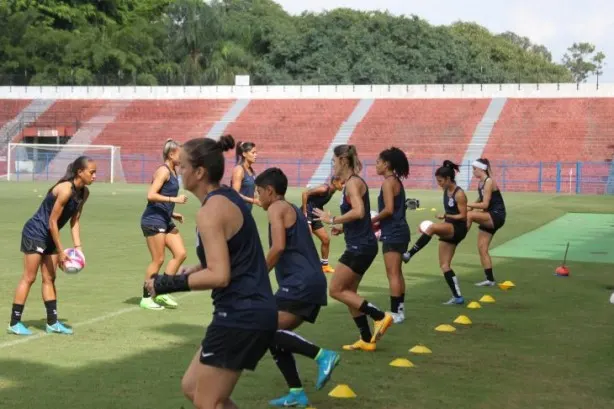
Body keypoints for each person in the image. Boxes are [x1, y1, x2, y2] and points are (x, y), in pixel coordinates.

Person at [145, 135, 277, 409]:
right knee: (192, 387)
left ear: (200, 171)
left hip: (241, 313)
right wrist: (193, 270)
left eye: (183, 167)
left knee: (208, 401)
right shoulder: (224, 198)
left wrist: (169, 283)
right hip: (246, 310)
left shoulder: (211, 211)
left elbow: (220, 275)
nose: (179, 172)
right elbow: (224, 260)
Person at [255, 167, 340, 407]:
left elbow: (278, 247)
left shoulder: (275, 208)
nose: (258, 196)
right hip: (307, 282)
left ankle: (323, 356)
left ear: (270, 191)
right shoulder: (290, 207)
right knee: (272, 335)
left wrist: (257, 276)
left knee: (264, 328)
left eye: (259, 191)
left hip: (300, 283)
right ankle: (296, 393)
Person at [313, 144, 393, 352]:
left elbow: (359, 211)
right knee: (349, 293)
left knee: (336, 290)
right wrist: (343, 227)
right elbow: (360, 218)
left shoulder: (352, 184)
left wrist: (333, 219)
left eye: (334, 161)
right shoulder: (351, 183)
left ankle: (380, 316)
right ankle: (366, 339)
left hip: (360, 246)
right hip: (361, 243)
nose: (332, 165)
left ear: (343, 161)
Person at [8, 156, 96, 336]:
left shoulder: (84, 193)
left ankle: (52, 323)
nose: (95, 176)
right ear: (80, 172)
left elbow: (75, 221)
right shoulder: (65, 189)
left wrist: (78, 247)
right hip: (35, 233)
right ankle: (14, 322)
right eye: (92, 172)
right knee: (29, 277)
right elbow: (52, 222)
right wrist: (61, 251)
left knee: (50, 278)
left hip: (49, 236)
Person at [402, 160, 468, 305]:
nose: (439, 183)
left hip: (457, 228)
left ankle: (409, 254)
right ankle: (458, 297)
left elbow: (463, 216)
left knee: (431, 228)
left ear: (448, 179)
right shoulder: (446, 190)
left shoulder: (459, 194)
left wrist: (445, 216)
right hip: (449, 226)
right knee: (444, 265)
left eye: (440, 181)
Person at [140, 139, 188, 310]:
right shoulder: (163, 171)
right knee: (158, 259)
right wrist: (174, 200)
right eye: (180, 154)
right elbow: (151, 195)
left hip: (165, 218)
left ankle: (161, 290)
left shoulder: (174, 172)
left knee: (180, 253)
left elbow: (160, 196)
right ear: (171, 154)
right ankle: (146, 298)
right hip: (153, 220)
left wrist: (172, 212)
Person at [371, 147, 411, 323]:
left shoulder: (388, 183)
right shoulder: (396, 181)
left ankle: (396, 313)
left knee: (393, 274)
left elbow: (388, 210)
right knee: (398, 273)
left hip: (393, 232)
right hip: (400, 231)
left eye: (378, 162)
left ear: (386, 164)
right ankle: (400, 310)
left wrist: (371, 220)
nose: (376, 165)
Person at [467, 158, 507, 287]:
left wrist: (465, 204)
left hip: (496, 215)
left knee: (469, 216)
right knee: (482, 248)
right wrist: (469, 207)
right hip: (489, 216)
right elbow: (480, 199)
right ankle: (490, 279)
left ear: (481, 169)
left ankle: (458, 234)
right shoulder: (480, 183)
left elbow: (484, 204)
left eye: (474, 169)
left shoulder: (489, 182)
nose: (473, 172)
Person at [301, 175, 344, 273]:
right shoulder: (324, 189)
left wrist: (324, 214)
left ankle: (324, 266)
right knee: (307, 241)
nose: (344, 185)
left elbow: (317, 202)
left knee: (325, 239)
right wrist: (305, 212)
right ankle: (304, 265)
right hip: (307, 215)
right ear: (335, 182)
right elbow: (305, 194)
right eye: (342, 182)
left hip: (315, 216)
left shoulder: (331, 192)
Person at [231, 139, 259, 210]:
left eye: (256, 152)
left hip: (246, 213)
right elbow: (235, 194)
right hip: (236, 212)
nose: (256, 155)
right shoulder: (239, 170)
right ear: (244, 154)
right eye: (253, 153)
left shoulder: (252, 171)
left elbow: (254, 192)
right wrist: (254, 201)